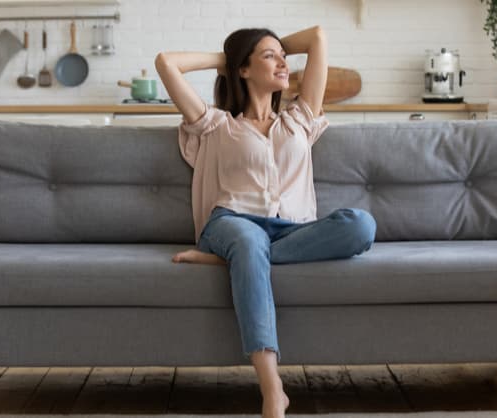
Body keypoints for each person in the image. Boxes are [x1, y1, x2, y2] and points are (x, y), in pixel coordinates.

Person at [155, 26, 376, 418]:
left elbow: (319, 37)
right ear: (243, 70)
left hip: (293, 228)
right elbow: (165, 63)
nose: (283, 62)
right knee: (247, 240)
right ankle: (273, 388)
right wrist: (226, 58)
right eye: (270, 56)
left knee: (361, 225)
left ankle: (239, 262)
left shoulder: (300, 120)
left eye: (282, 56)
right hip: (232, 222)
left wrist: (266, 51)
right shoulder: (216, 124)